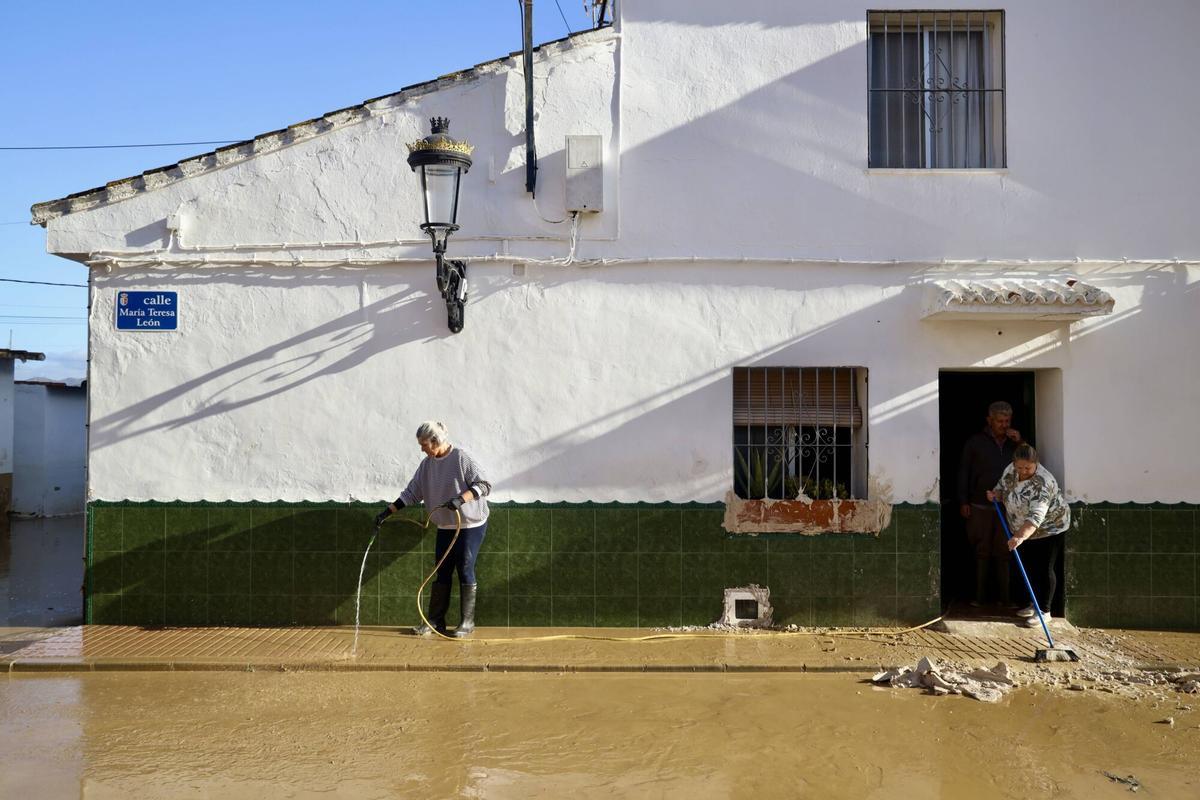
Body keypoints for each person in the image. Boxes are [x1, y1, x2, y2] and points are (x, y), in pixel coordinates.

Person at [375, 421, 492, 638]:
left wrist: (460, 499)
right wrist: (387, 512)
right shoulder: (427, 465)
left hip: (470, 523)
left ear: (436, 441)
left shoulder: (461, 458)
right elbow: (411, 493)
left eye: (424, 444)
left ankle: (467, 623)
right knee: (442, 570)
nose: (422, 449)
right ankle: (435, 622)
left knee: (465, 568)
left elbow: (484, 485)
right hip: (445, 525)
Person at [987, 443, 1071, 627]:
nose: (1023, 471)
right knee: (1029, 565)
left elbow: (1036, 517)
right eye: (1020, 467)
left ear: (1036, 464)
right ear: (1014, 463)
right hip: (1020, 527)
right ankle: (1033, 604)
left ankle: (1045, 610)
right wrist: (996, 494)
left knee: (1044, 568)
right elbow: (1002, 486)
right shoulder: (1011, 469)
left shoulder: (1043, 482)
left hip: (1049, 527)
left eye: (1028, 468)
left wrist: (1019, 536)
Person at [957, 401, 1022, 608]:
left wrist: (1021, 442)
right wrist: (963, 500)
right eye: (1000, 421)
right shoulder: (975, 442)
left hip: (1007, 507)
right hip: (979, 506)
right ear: (989, 421)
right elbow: (963, 472)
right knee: (981, 551)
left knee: (1005, 552)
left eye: (1007, 421)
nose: (1004, 425)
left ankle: (1005, 599)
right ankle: (979, 598)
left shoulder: (1015, 444)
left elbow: (1029, 464)